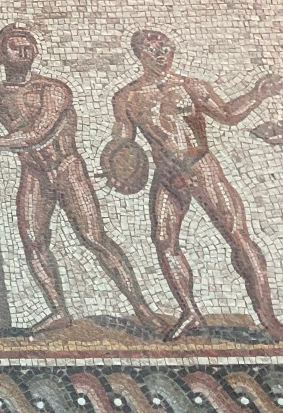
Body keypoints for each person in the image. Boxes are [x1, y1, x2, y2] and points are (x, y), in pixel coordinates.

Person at [0, 23, 162, 335]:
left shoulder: (53, 90)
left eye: (28, 44)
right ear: (1, 54)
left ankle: (142, 308)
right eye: (15, 46)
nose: (23, 50)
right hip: (33, 173)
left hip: (67, 169)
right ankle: (58, 310)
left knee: (93, 237)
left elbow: (38, 132)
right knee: (33, 241)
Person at [111, 29, 283, 341]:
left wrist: (257, 94)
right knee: (163, 240)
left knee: (237, 236)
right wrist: (118, 170)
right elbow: (123, 143)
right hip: (167, 175)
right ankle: (190, 312)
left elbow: (227, 114)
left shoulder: (190, 86)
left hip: (200, 167)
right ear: (139, 55)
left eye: (166, 48)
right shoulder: (127, 97)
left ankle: (268, 318)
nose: (162, 55)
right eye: (153, 50)